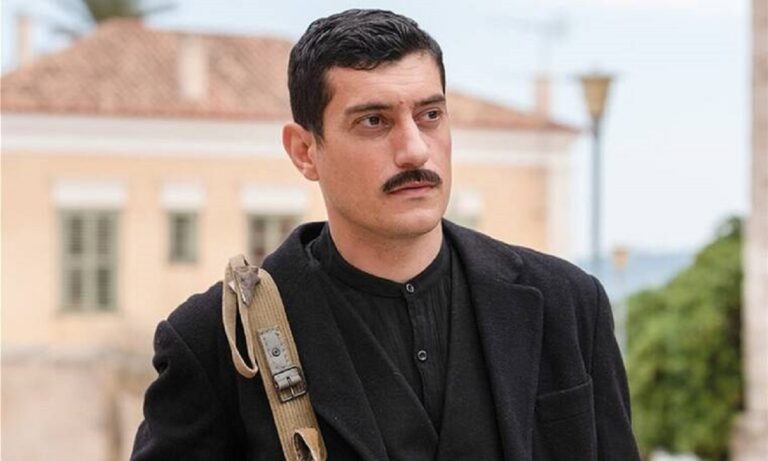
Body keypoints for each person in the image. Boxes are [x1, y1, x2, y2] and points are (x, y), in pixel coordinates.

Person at [131, 8, 640, 461]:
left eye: (430, 115)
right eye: (374, 121)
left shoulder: (568, 305)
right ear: (305, 152)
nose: (415, 149)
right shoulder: (215, 342)